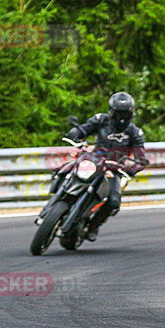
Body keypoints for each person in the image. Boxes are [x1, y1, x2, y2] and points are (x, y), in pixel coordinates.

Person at [64, 92, 148, 241]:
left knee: (114, 202)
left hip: (114, 169)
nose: (121, 118)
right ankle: (59, 193)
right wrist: (76, 132)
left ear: (131, 113)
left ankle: (93, 226)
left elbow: (140, 157)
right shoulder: (101, 120)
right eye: (118, 114)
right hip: (93, 159)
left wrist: (132, 168)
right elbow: (84, 129)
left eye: (125, 114)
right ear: (112, 111)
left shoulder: (135, 132)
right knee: (66, 169)